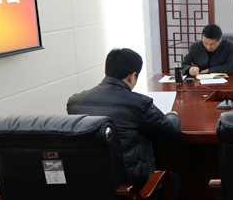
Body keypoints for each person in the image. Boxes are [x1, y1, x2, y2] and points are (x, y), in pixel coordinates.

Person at [67, 48, 181, 191]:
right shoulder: (139, 103)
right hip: (131, 187)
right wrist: (172, 115)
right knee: (173, 180)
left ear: (105, 72)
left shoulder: (75, 102)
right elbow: (171, 131)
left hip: (91, 183)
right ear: (132, 76)